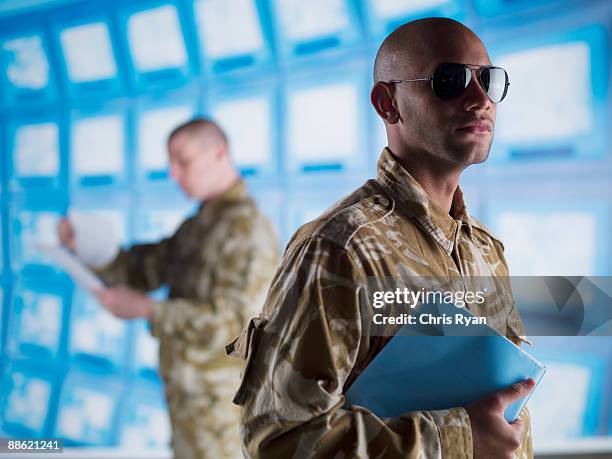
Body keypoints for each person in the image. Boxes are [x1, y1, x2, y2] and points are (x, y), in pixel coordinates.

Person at [228, 18, 534, 459]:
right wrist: (459, 441)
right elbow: (278, 439)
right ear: (387, 104)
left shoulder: (484, 247)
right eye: (450, 80)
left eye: (488, 79)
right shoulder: (341, 247)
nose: (479, 98)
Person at [58, 118, 279, 459]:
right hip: (189, 406)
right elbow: (143, 270)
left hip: (222, 416)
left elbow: (237, 327)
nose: (173, 174)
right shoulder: (197, 227)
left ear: (218, 152)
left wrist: (148, 310)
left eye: (183, 161)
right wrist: (85, 247)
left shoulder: (248, 232)